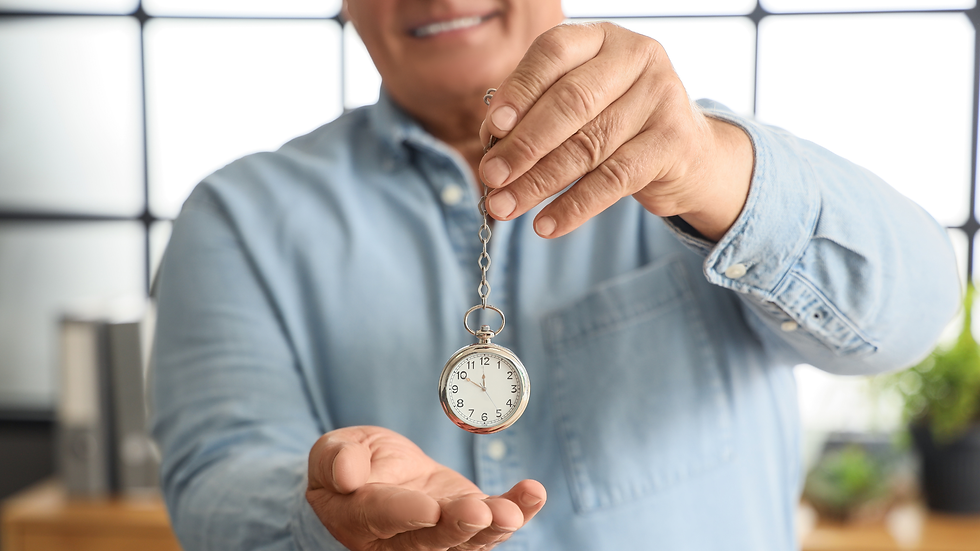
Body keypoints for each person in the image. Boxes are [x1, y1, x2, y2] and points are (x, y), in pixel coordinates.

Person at [149, 1, 960, 550]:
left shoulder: (699, 157)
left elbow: (916, 315)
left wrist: (715, 171)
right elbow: (217, 474)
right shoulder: (239, 216)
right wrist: (315, 510)